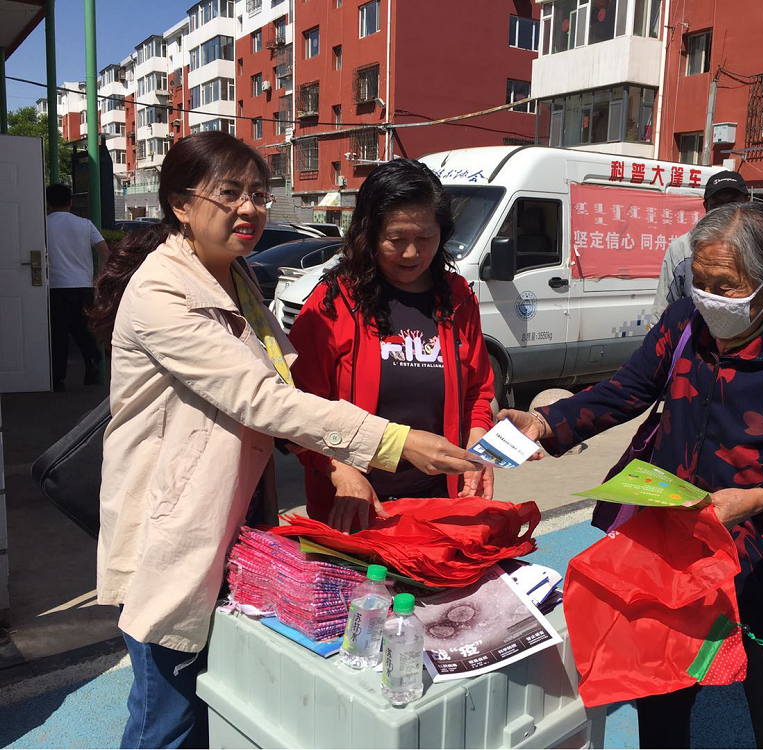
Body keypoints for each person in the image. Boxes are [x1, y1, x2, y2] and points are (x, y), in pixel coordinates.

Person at [89, 132, 477, 749]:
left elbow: (283, 379)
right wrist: (390, 443)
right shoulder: (164, 290)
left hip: (238, 514)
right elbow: (264, 397)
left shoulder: (235, 276)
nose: (249, 208)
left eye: (258, 194)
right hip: (180, 520)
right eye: (229, 194)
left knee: (225, 693)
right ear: (181, 204)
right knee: (168, 713)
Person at [501, 202, 763, 749]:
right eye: (700, 281)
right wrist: (546, 422)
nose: (708, 297)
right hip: (674, 554)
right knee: (661, 697)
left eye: (726, 286)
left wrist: (760, 499)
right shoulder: (684, 324)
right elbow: (627, 390)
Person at [289, 160, 496, 531]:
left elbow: (477, 392)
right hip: (354, 507)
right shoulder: (332, 302)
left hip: (439, 505)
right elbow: (299, 409)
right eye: (396, 240)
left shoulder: (458, 298)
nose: (411, 254)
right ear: (368, 233)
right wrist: (340, 470)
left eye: (425, 239)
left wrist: (477, 447)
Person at [652, 170, 750, 316]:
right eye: (717, 204)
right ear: (706, 206)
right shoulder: (682, 248)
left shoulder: (759, 246)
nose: (725, 211)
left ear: (747, 202)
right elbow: (662, 310)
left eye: (733, 203)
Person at [45, 183, 108, 391]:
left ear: (47, 204)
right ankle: (92, 358)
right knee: (81, 327)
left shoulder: (43, 225)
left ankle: (58, 379)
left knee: (59, 333)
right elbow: (104, 251)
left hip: (56, 285)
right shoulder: (85, 224)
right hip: (83, 285)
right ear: (70, 202)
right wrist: (100, 277)